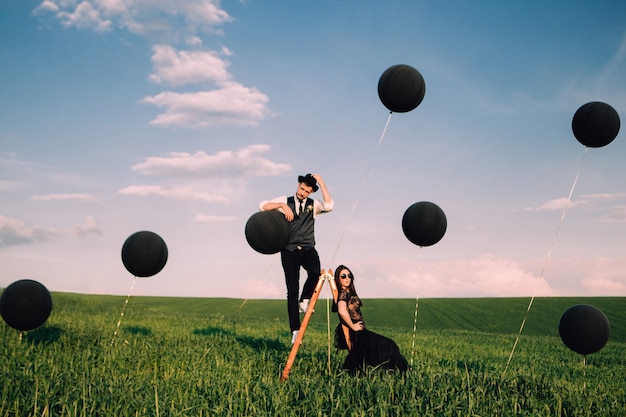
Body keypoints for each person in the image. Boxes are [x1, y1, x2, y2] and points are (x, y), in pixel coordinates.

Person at [259, 173, 334, 344]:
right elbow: (262, 205)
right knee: (292, 290)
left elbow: (329, 205)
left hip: (308, 248)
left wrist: (322, 183)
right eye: (301, 189)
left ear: (310, 192)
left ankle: (305, 299)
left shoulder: (314, 205)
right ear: (298, 185)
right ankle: (295, 330)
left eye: (307, 191)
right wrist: (281, 206)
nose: (302, 193)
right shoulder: (285, 201)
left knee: (316, 273)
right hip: (289, 250)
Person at [332, 265, 408, 374]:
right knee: (389, 344)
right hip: (356, 332)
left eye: (349, 275)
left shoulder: (349, 292)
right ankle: (401, 370)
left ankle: (397, 370)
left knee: (385, 345)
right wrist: (353, 326)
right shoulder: (343, 293)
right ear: (338, 279)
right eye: (343, 276)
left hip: (360, 331)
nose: (347, 278)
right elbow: (342, 311)